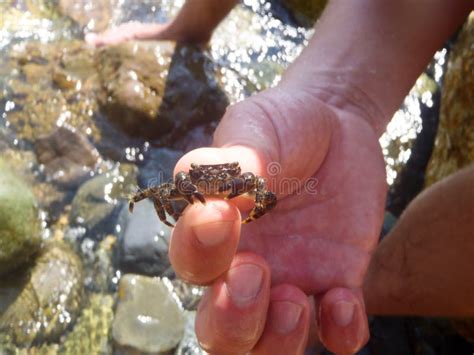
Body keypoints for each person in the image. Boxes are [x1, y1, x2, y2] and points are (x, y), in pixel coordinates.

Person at [87, 1, 473, 353]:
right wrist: (335, 104)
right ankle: (336, 293)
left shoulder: (245, 183)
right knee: (184, 202)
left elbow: (260, 192)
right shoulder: (224, 173)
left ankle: (355, 290)